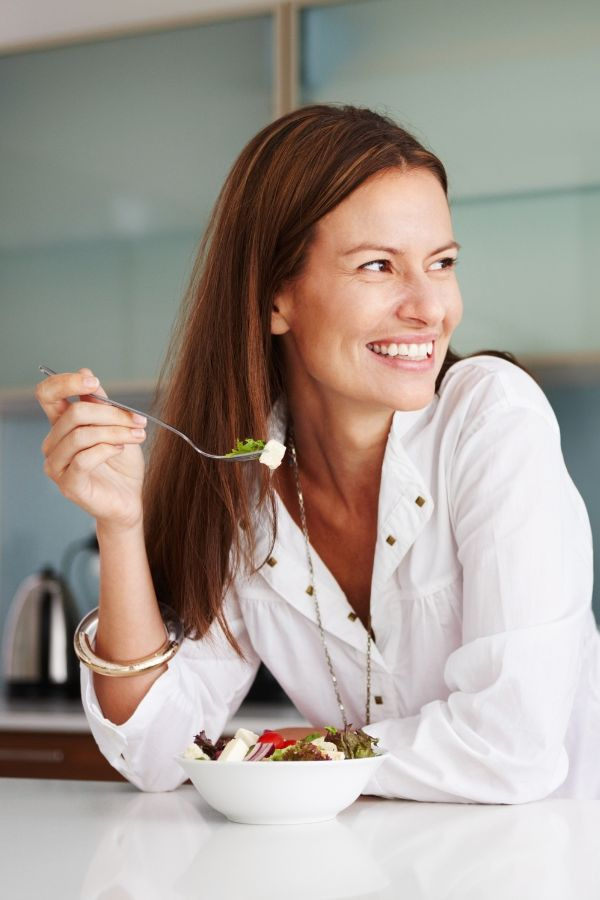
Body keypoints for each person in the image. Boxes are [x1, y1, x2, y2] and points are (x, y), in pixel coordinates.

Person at [36, 104, 600, 801]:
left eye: (442, 263)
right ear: (277, 299)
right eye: (378, 266)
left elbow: (511, 747)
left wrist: (278, 758)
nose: (430, 307)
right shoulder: (243, 486)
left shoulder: (491, 419)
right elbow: (155, 751)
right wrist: (119, 524)